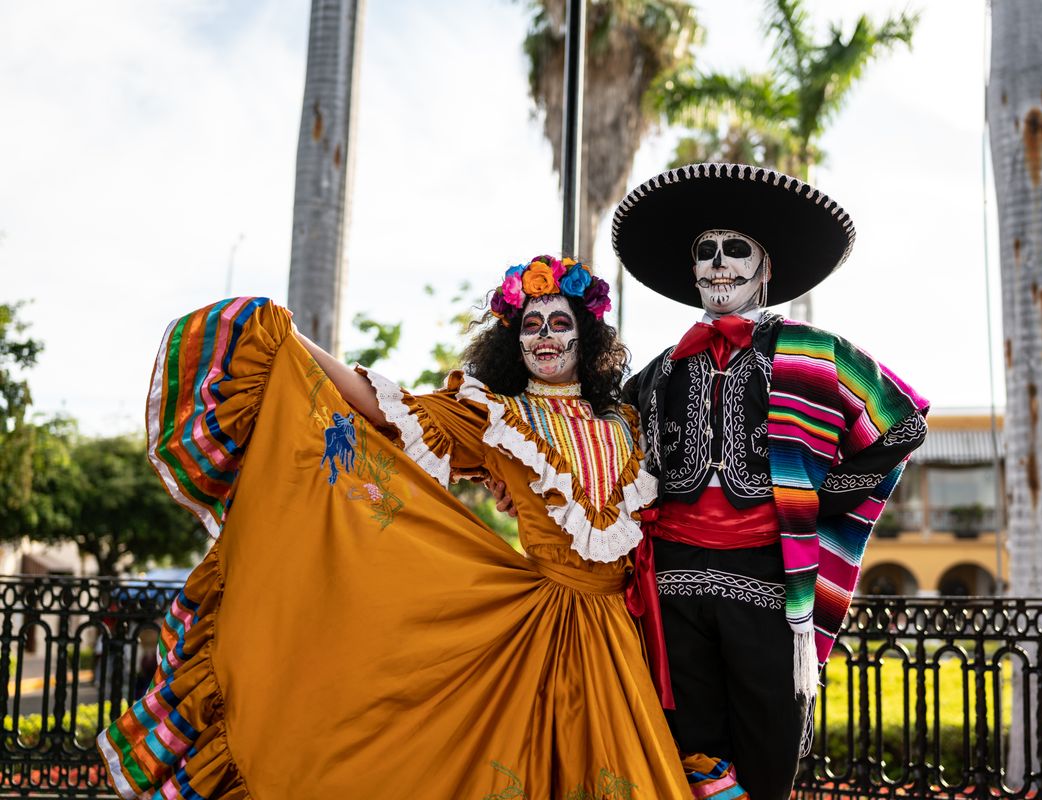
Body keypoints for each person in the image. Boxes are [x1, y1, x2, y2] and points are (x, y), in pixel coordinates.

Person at [96, 256, 693, 799]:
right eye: (530, 325)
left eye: (559, 323)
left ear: (584, 335)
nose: (544, 337)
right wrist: (296, 343)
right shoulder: (496, 415)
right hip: (539, 628)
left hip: (621, 628)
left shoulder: (628, 422)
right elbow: (388, 409)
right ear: (514, 342)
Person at [612, 162, 931, 799]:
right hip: (673, 588)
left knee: (769, 754)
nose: (719, 265)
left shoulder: (814, 351)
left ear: (764, 269)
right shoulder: (654, 373)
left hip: (766, 586)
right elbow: (601, 449)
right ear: (693, 270)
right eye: (706, 252)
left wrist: (820, 496)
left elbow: (904, 423)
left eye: (736, 250)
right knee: (694, 757)